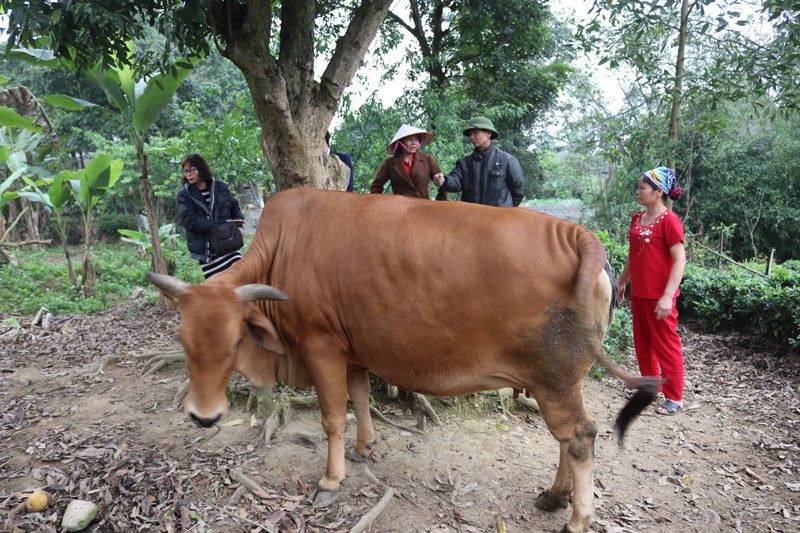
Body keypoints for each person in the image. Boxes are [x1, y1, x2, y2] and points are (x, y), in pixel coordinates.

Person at [617, 167, 687, 415]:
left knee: (666, 345)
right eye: (638, 187)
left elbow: (680, 260)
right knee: (643, 345)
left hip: (660, 297)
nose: (638, 192)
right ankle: (649, 390)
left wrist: (668, 295)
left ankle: (674, 397)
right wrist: (623, 281)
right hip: (640, 295)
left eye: (643, 188)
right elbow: (633, 255)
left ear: (659, 192)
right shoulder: (637, 218)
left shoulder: (670, 221)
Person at [177, 153, 245, 279]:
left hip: (228, 243)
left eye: (191, 170)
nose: (188, 174)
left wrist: (239, 218)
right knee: (219, 286)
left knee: (241, 278)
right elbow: (187, 219)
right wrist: (214, 226)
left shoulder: (220, 187)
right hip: (207, 250)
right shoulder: (184, 195)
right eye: (185, 171)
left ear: (201, 169)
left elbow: (233, 204)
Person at [433, 116, 525, 207]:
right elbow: (456, 181)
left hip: (498, 219)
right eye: (470, 134)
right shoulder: (464, 163)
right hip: (471, 218)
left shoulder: (507, 160)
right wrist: (444, 181)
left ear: (488, 133)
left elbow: (518, 190)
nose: (471, 137)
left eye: (475, 133)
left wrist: (507, 209)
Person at [370, 124, 447, 201]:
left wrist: (440, 204)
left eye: (416, 140)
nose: (414, 143)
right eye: (410, 139)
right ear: (400, 142)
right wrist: (376, 205)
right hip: (400, 209)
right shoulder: (389, 163)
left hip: (423, 207)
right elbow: (376, 186)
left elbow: (442, 182)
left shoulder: (428, 159)